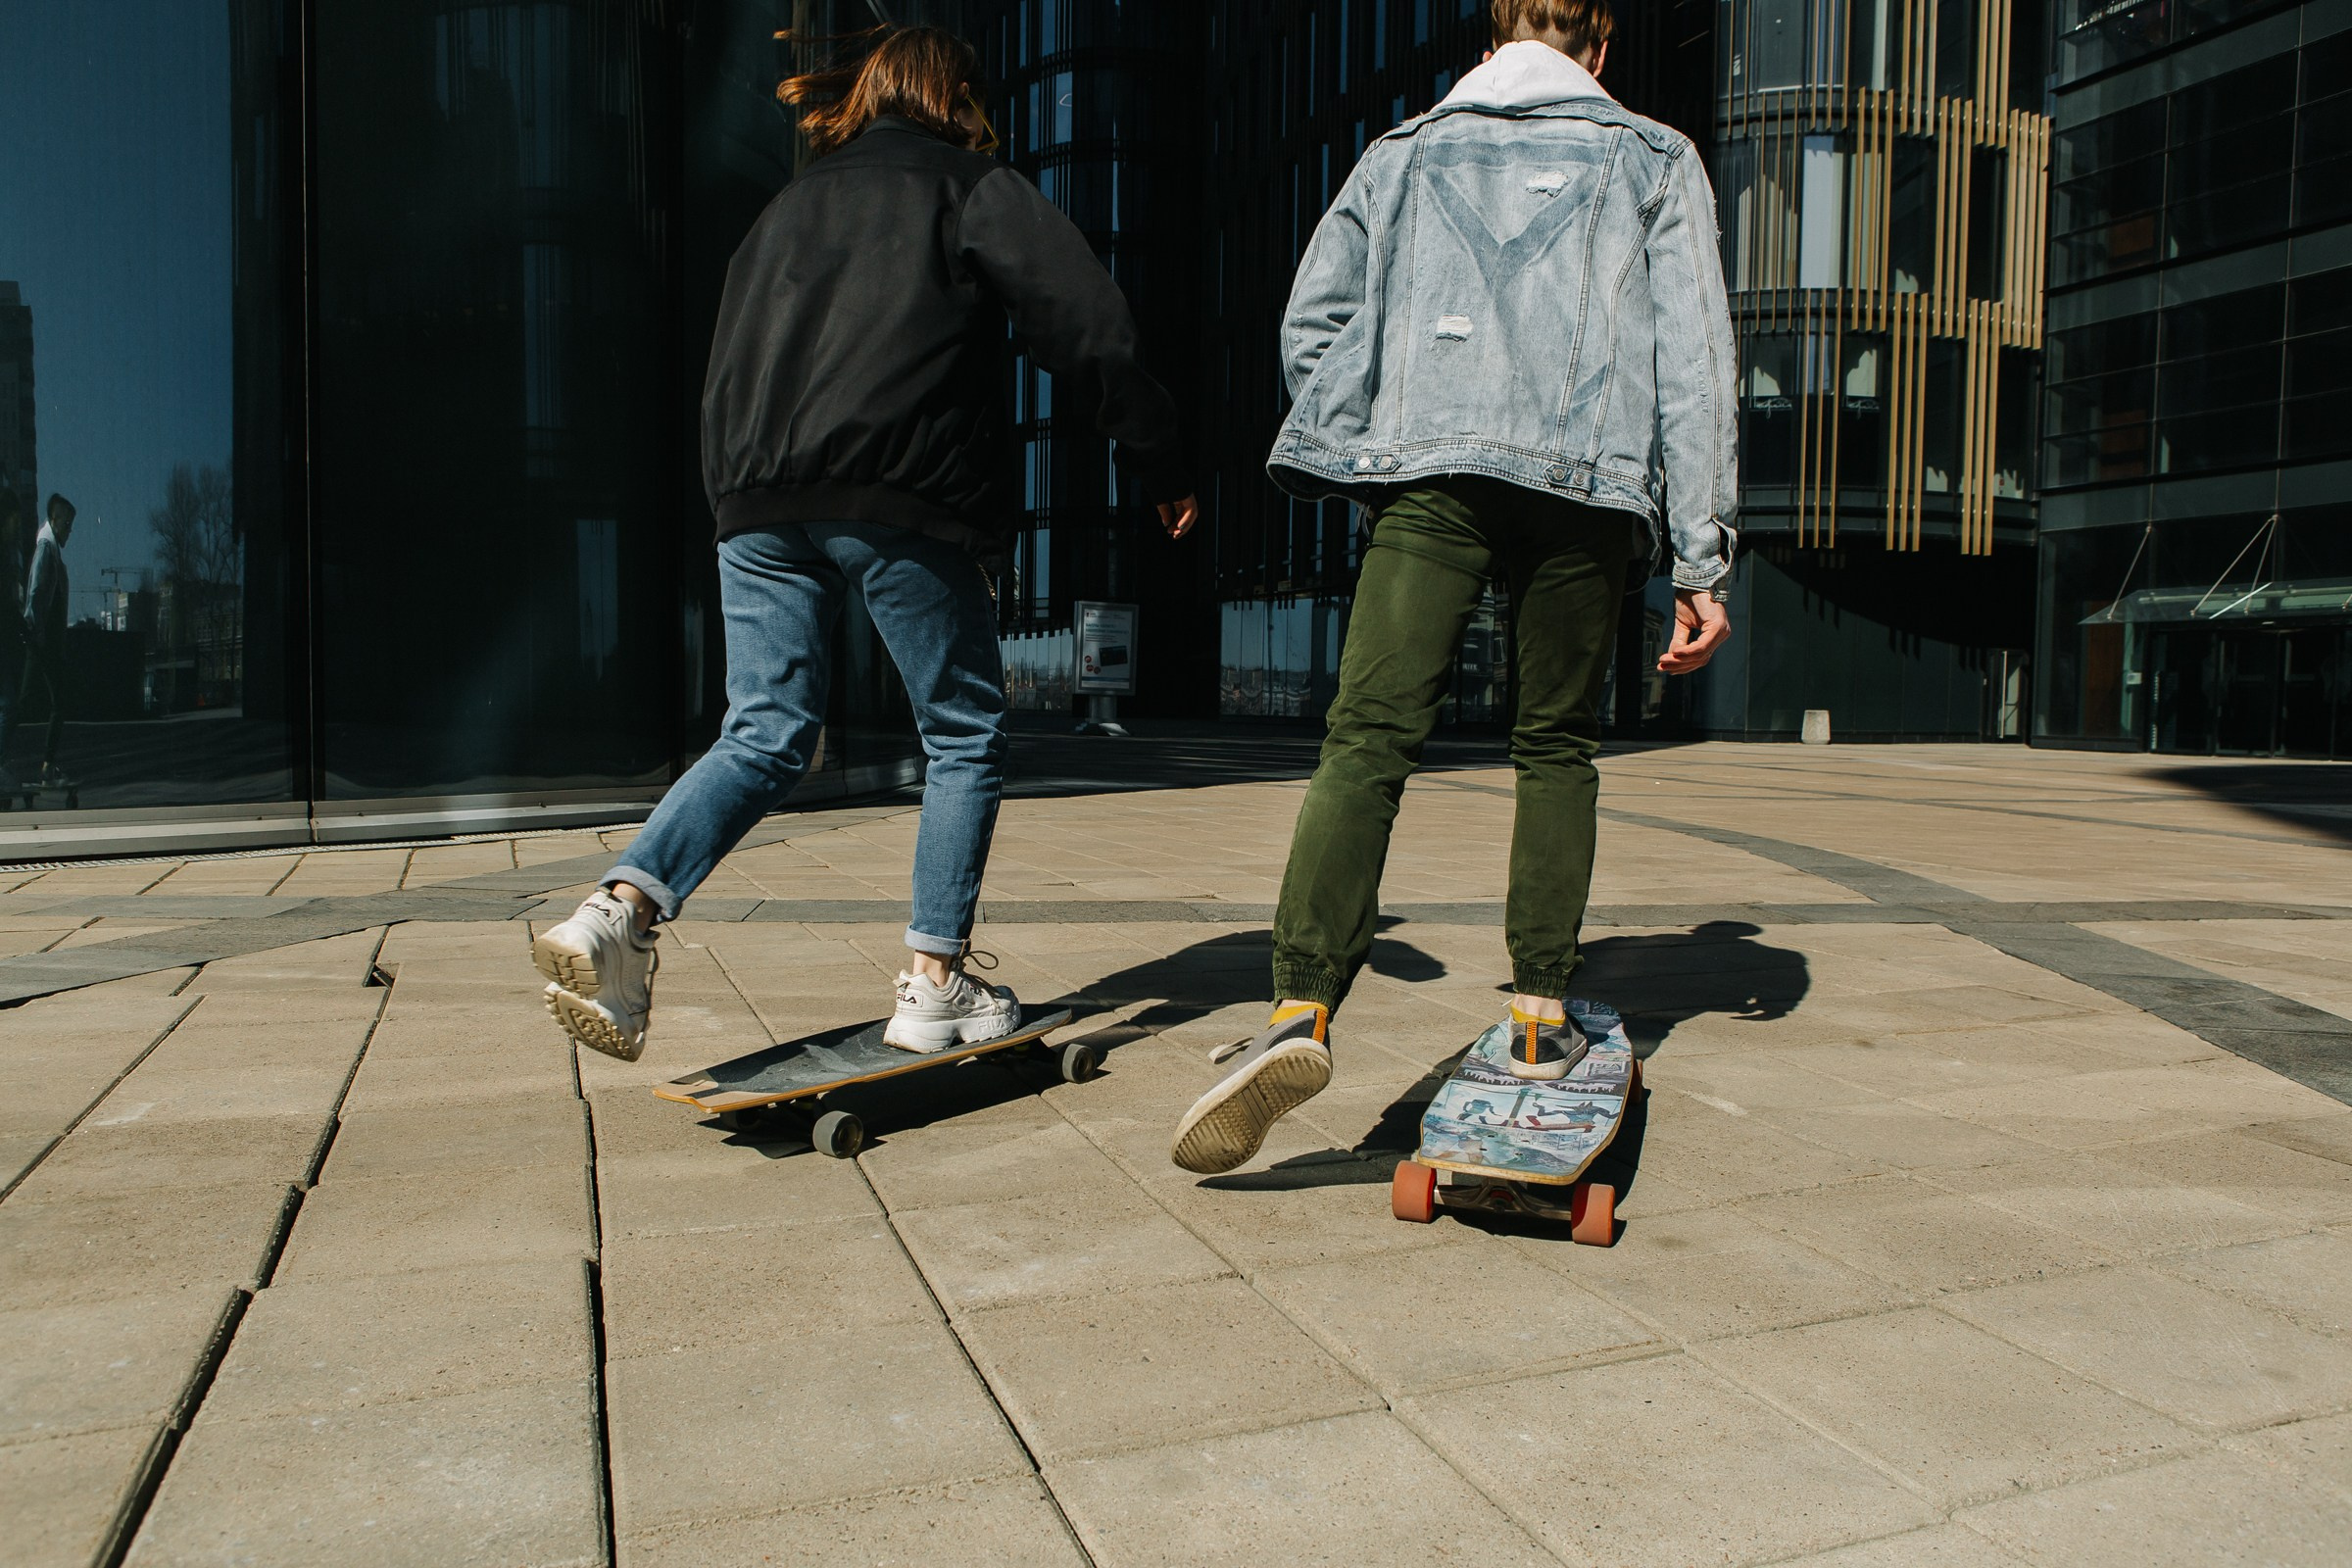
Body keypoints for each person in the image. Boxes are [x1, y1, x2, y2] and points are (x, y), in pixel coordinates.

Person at [534, 25, 1196, 1063]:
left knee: (762, 734)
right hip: (898, 489)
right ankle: (934, 982)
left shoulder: (785, 207)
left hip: (755, 497)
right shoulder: (970, 187)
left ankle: (616, 912)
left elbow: (723, 359)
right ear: (957, 100)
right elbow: (1090, 322)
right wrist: (1159, 459)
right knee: (963, 732)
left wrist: (734, 493)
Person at [1169, 0, 1737, 1175]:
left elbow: (1312, 319)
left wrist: (1376, 428)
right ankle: (1537, 1008)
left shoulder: (1403, 151)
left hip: (1429, 477)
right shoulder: (1654, 157)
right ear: (1605, 41)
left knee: (1366, 738)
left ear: (1496, 30)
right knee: (1555, 746)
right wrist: (1702, 553)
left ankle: (1300, 1008)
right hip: (1589, 491)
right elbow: (1695, 358)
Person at [14, 493, 74, 788]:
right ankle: (44, 767)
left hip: (47, 643)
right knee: (26, 702)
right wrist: (34, 635)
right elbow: (36, 593)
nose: (69, 530)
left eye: (71, 525)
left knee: (51, 701)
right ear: (53, 520)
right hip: (42, 642)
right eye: (66, 523)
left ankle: (48, 766)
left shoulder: (52, 550)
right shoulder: (45, 548)